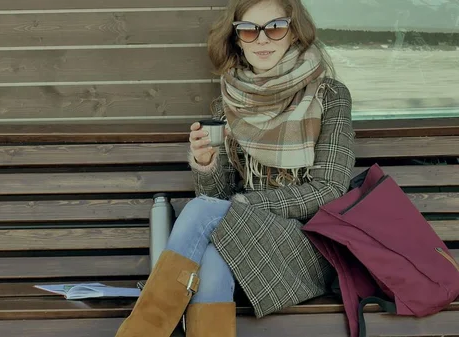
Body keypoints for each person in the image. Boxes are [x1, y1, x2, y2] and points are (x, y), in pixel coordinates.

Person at [115, 0, 355, 336]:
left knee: (206, 216)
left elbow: (329, 189)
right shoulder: (232, 99)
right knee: (212, 257)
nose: (262, 39)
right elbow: (219, 199)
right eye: (249, 30)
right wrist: (206, 164)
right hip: (243, 243)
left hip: (308, 249)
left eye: (275, 27)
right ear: (238, 39)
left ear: (294, 32)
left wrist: (242, 206)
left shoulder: (329, 96)